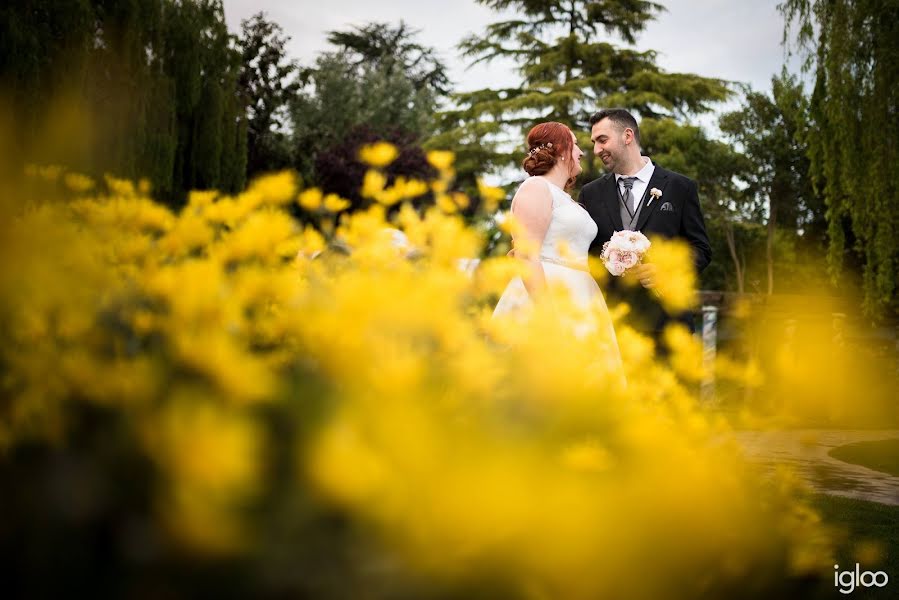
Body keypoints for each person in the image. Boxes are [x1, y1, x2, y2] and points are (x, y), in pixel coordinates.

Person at [579, 108, 711, 344]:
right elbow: (583, 253)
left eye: (602, 140)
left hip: (669, 326)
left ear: (627, 136)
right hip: (612, 328)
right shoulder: (591, 193)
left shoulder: (680, 187)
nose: (596, 150)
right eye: (594, 142)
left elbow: (701, 249)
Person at [493, 122, 620, 355]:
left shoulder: (566, 198)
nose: (581, 152)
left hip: (582, 295)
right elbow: (526, 255)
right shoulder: (536, 187)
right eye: (575, 145)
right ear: (561, 150)